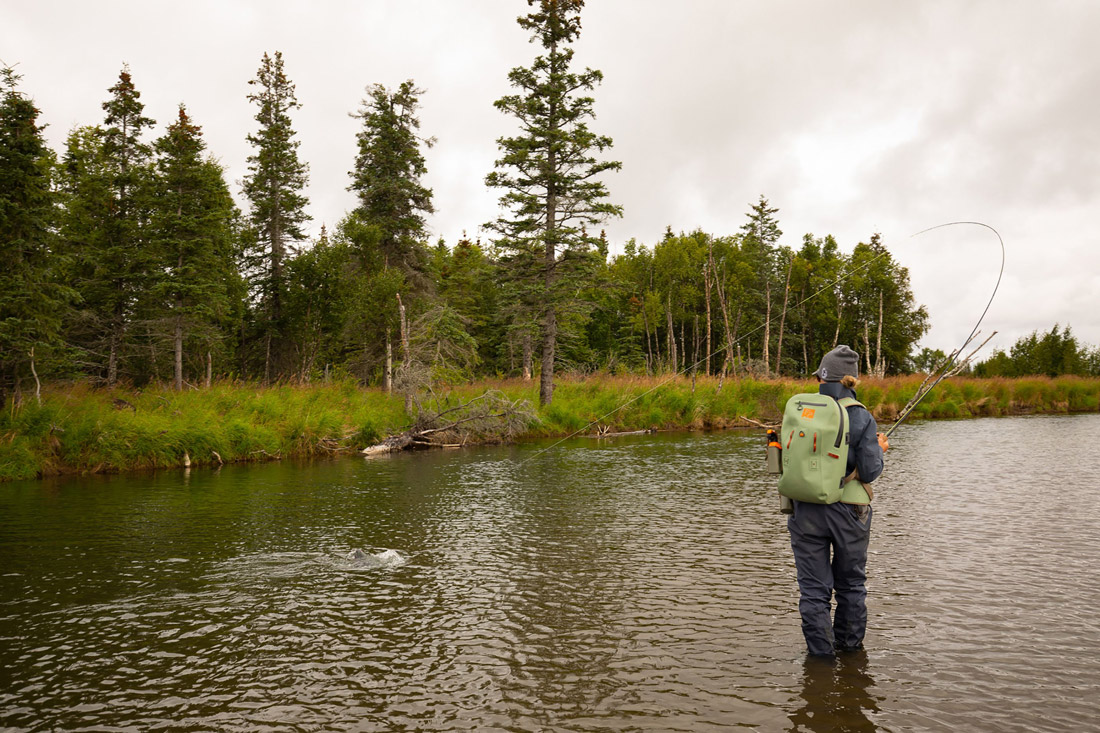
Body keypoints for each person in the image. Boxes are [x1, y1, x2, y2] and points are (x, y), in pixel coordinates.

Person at [788, 345, 889, 657]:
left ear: (822, 377)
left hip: (804, 508)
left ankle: (821, 661)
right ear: (852, 382)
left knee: (814, 591)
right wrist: (879, 449)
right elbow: (870, 471)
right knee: (850, 586)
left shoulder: (802, 411)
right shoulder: (860, 416)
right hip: (850, 511)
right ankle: (850, 656)